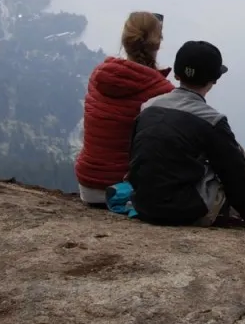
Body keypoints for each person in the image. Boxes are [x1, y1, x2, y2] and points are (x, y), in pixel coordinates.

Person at [127, 40, 245, 232]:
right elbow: (237, 184)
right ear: (214, 80)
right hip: (185, 212)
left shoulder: (148, 107)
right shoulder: (212, 121)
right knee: (235, 157)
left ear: (176, 74)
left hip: (144, 206)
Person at [74, 11, 175, 207]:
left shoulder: (99, 75)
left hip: (88, 186)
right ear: (158, 43)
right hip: (124, 190)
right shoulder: (161, 91)